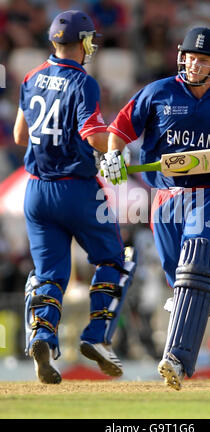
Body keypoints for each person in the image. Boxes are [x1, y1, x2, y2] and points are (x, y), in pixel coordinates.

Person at [100, 27, 210, 390]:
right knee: (187, 290)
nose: (194, 65)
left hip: (209, 194)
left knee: (193, 271)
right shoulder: (158, 92)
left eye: (203, 60)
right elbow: (119, 128)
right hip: (164, 199)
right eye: (191, 57)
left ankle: (176, 361)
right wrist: (113, 156)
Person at [13, 10, 136, 384]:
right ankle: (96, 336)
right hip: (77, 189)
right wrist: (117, 148)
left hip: (35, 190)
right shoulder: (83, 82)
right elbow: (92, 133)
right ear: (83, 43)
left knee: (49, 275)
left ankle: (43, 336)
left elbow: (21, 135)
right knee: (116, 259)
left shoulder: (31, 77)